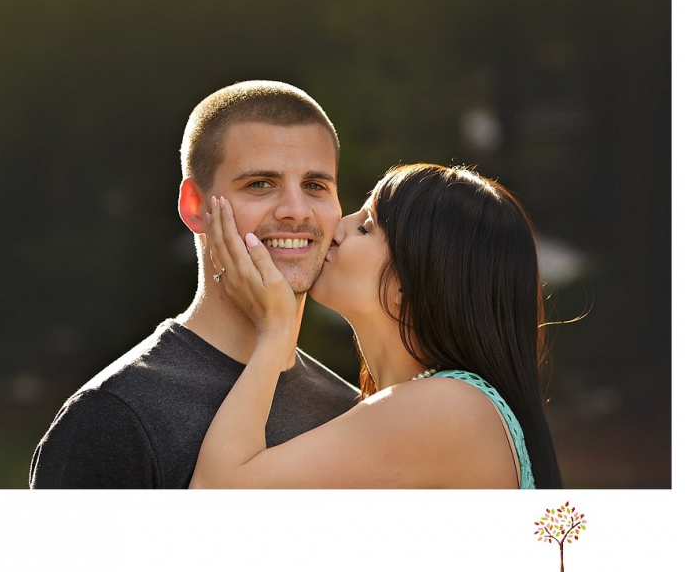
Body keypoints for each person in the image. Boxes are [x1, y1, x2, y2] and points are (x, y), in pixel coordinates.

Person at [28, 80, 358, 488]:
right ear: (195, 207)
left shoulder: (352, 413)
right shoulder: (113, 415)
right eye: (260, 184)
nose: (295, 210)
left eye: (315, 186)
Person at [190, 163, 563, 488]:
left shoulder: (447, 409)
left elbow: (217, 494)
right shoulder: (433, 405)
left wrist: (275, 332)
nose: (337, 227)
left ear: (411, 284)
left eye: (366, 227)